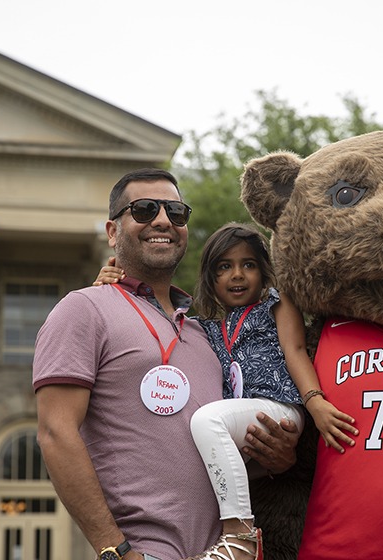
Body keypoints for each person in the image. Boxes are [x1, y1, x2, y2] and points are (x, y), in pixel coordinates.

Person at [33, 169, 300, 560]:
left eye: (175, 212)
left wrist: (278, 460)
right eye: (143, 209)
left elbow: (224, 453)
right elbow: (56, 433)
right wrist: (115, 550)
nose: (162, 220)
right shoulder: (84, 308)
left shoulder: (206, 332)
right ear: (112, 231)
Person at [96, 223, 358, 560]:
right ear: (210, 278)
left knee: (206, 421)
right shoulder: (204, 328)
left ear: (263, 272)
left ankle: (240, 535)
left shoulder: (277, 305)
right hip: (239, 429)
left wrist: (316, 403)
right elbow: (153, 322)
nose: (237, 275)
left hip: (277, 407)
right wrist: (115, 287)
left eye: (248, 265)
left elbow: (295, 351)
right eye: (225, 267)